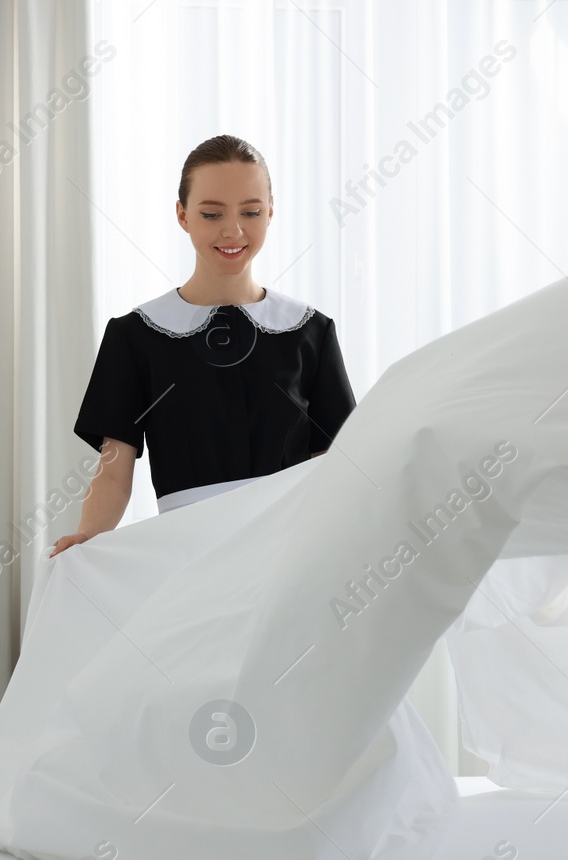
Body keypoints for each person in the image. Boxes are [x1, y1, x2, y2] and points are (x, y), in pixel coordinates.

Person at [51, 134, 357, 558]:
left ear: (271, 212)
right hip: (188, 556)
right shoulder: (136, 336)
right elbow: (113, 473)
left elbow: (335, 466)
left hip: (291, 552)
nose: (233, 231)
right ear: (182, 215)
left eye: (251, 211)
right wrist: (86, 538)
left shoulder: (310, 331)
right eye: (212, 213)